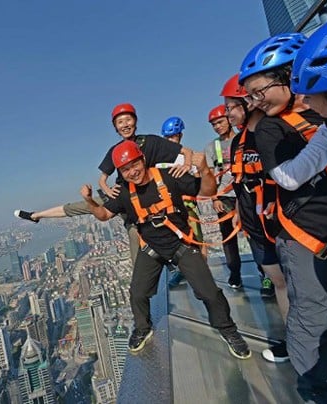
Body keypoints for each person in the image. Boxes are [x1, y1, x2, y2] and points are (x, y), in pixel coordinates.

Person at [240, 32, 327, 403]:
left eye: (259, 91)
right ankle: (319, 392)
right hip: (307, 234)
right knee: (312, 315)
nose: (254, 101)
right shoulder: (274, 127)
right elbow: (286, 176)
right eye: (249, 95)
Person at [79, 140, 251, 359]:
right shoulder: (124, 192)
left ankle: (229, 331)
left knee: (209, 292)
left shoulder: (169, 176)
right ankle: (143, 328)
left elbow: (207, 190)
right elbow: (103, 215)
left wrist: (204, 169)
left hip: (181, 244)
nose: (132, 172)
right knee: (137, 293)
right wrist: (88, 201)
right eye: (125, 170)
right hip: (152, 248)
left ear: (143, 159)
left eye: (135, 165)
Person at [15, 103, 194, 266]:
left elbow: (186, 152)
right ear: (115, 127)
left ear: (136, 121)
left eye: (128, 120)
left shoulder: (151, 142)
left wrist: (186, 164)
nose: (124, 125)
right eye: (119, 122)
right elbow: (103, 178)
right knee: (80, 206)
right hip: (120, 196)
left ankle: (148, 276)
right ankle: (36, 215)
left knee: (137, 234)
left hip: (142, 198)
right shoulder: (115, 150)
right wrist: (108, 189)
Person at [221, 73, 289, 362]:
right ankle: (295, 342)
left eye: (231, 107)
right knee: (280, 284)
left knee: (297, 286)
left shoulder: (276, 132)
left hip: (285, 226)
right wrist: (239, 212)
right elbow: (241, 184)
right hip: (258, 228)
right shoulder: (240, 142)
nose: (228, 113)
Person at [160, 116, 208, 289]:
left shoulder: (190, 156)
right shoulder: (162, 158)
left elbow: (198, 182)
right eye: (168, 138)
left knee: (196, 239)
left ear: (180, 136)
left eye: (173, 137)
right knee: (176, 241)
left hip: (188, 205)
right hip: (171, 207)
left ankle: (203, 269)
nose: (171, 141)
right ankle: (181, 271)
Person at [204, 105, 243, 289]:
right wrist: (214, 198)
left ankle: (264, 273)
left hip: (246, 194)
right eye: (214, 124)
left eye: (219, 122)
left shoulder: (243, 139)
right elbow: (211, 176)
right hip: (225, 197)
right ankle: (235, 273)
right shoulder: (213, 147)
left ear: (228, 119)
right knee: (228, 237)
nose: (217, 126)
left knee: (254, 235)